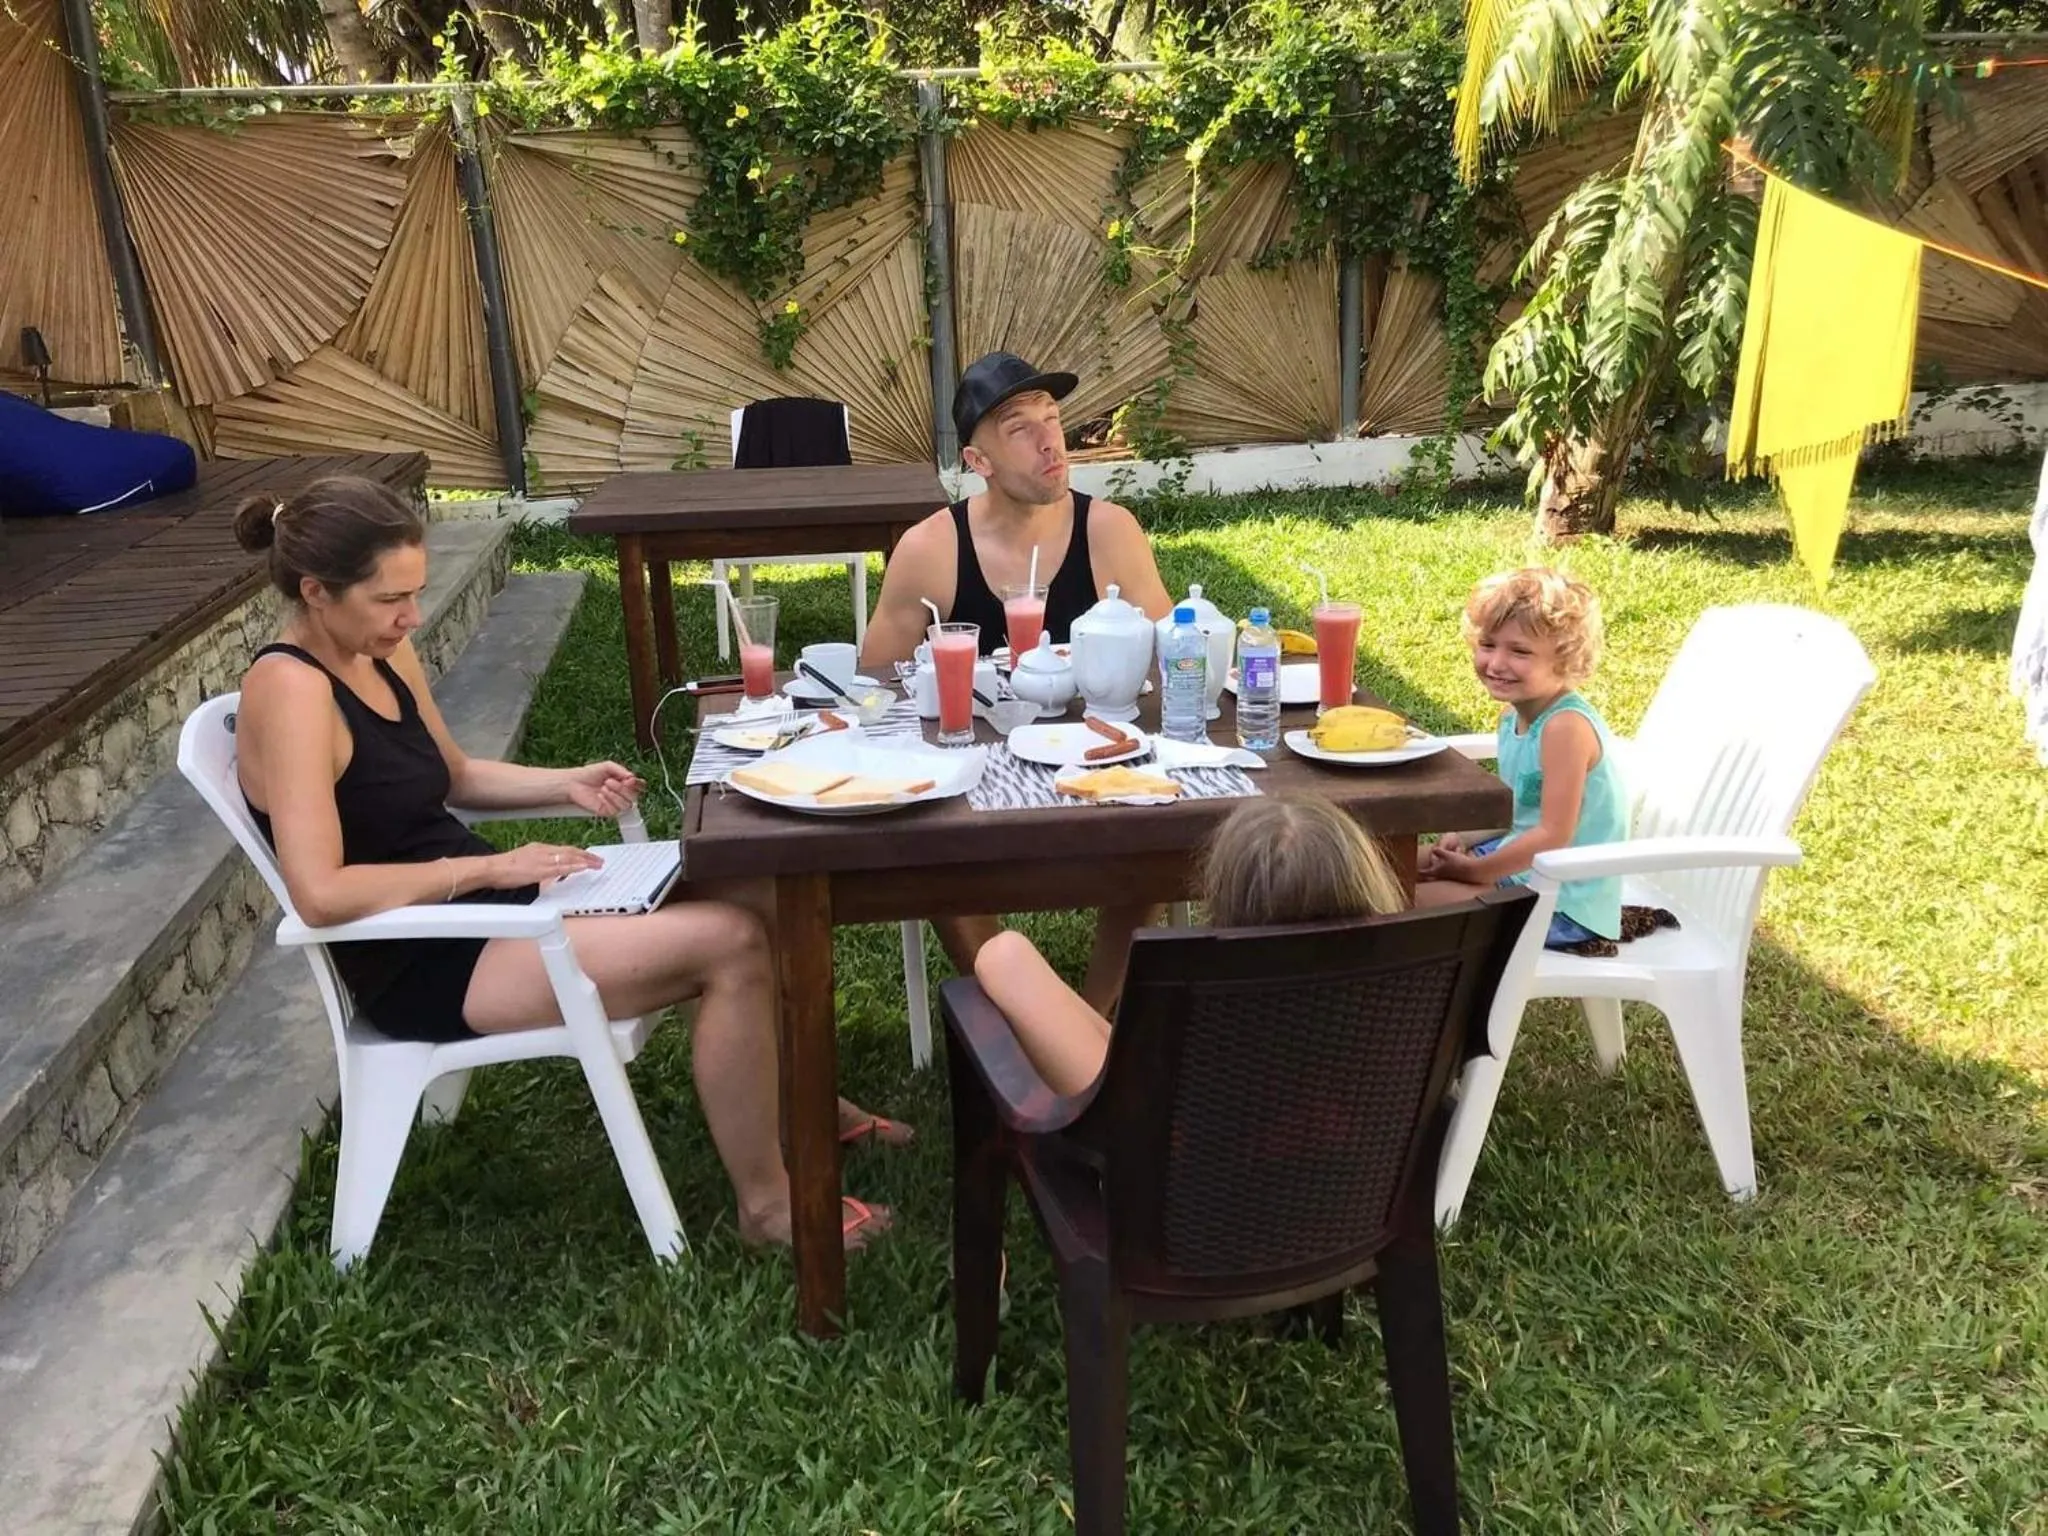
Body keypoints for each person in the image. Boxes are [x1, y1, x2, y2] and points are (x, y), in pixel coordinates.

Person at [229, 477, 897, 1251]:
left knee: (755, 886)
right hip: (425, 957)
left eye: (414, 593)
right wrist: (487, 872)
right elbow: (319, 892)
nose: (411, 616)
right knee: (733, 942)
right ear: (316, 592)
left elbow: (453, 777)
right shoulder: (291, 690)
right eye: (389, 600)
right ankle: (771, 1207)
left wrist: (564, 784)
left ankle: (806, 1107)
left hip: (483, 909)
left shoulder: (378, 651)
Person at [860, 351, 1176, 1012]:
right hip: (973, 783)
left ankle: (1095, 1023)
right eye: (1019, 429)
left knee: (1158, 830)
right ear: (978, 462)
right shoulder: (932, 549)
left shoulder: (1109, 532)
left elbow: (1175, 662)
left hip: (1098, 770)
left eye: (1052, 419)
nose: (1049, 441)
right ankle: (1020, 1021)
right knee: (928, 844)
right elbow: (875, 688)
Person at [972, 795, 1406, 1096]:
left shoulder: (1201, 1053)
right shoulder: (1402, 1035)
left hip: (1170, 1184)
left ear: (1220, 904)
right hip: (1353, 1194)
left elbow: (1002, 957)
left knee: (1007, 956)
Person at [1415, 567, 1629, 948]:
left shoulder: (1565, 728)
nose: (1496, 663)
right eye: (1488, 644)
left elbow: (1554, 835)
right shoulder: (1513, 716)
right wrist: (1461, 837)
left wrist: (1477, 871)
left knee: (1401, 901)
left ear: (1565, 659)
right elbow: (1517, 809)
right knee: (1385, 870)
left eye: (1519, 651)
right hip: (1521, 866)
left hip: (1563, 901)